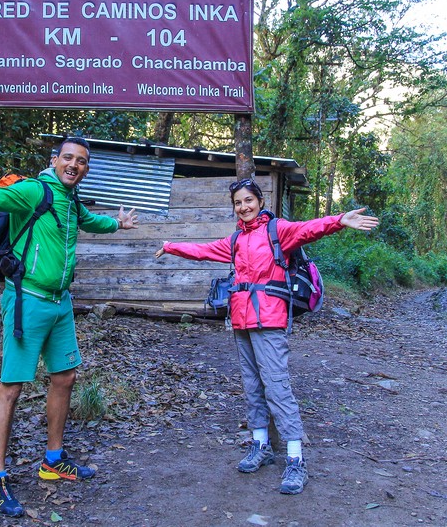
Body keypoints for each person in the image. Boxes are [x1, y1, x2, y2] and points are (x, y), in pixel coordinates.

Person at [0, 136, 138, 517]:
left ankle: (52, 460)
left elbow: (91, 221)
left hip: (60, 303)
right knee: (11, 388)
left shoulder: (71, 200)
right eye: (68, 158)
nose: (74, 165)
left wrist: (118, 223)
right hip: (28, 300)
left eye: (81, 161)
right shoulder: (33, 191)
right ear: (55, 160)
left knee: (65, 377)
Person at [154, 178, 379, 495]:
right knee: (252, 386)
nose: (243, 207)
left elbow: (310, 228)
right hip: (241, 321)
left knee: (277, 387)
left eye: (248, 200)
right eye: (237, 203)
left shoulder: (278, 231)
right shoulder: (235, 241)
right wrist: (171, 246)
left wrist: (340, 220)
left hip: (270, 321)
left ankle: (295, 459)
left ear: (259, 201)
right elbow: (204, 251)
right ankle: (260, 446)